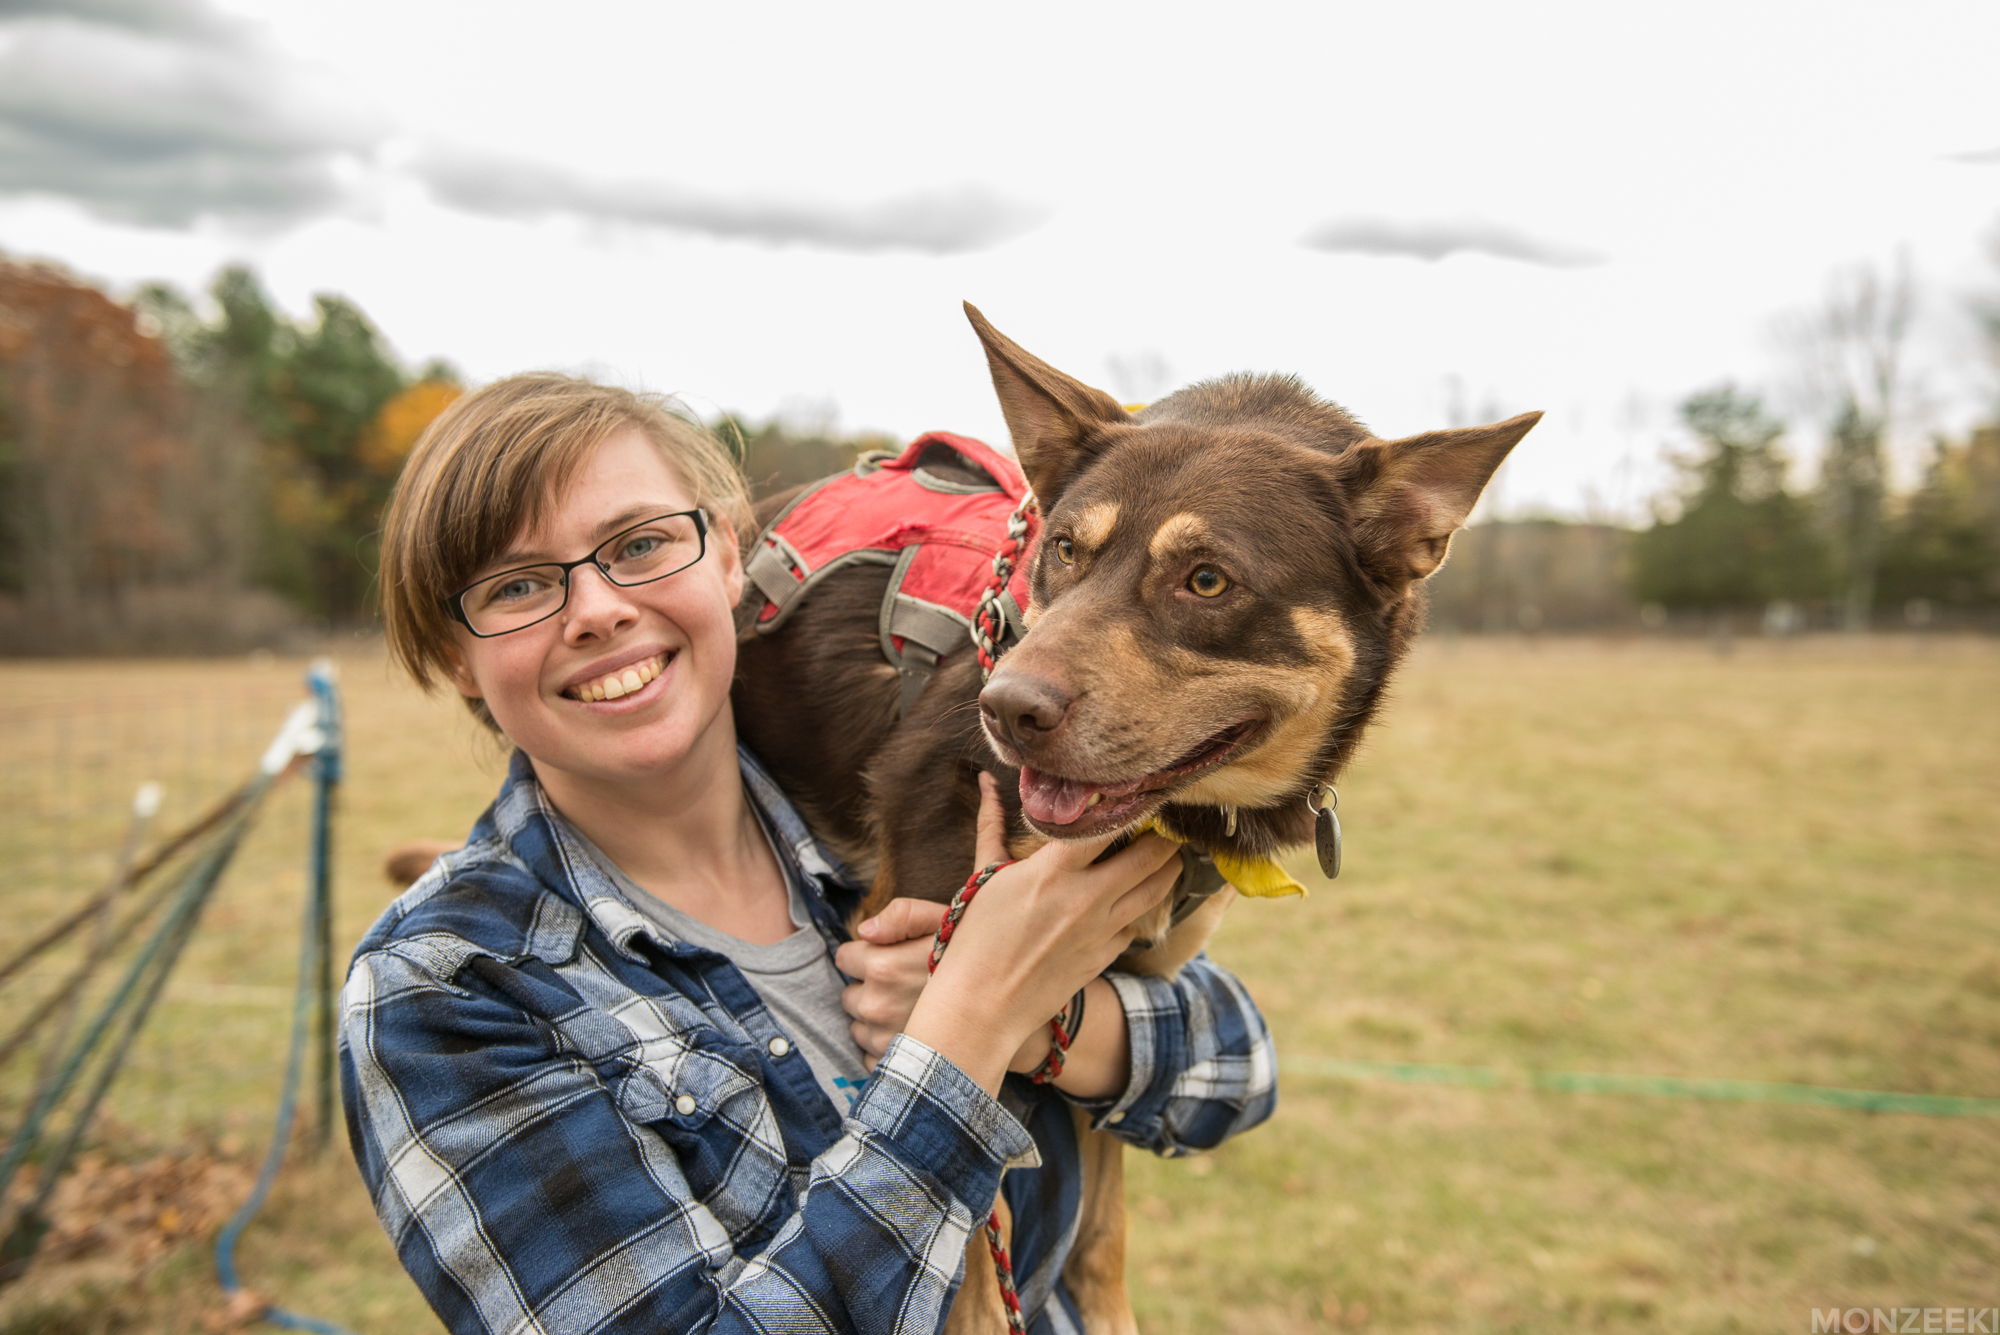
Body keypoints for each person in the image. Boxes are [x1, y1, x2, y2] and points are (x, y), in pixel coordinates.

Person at [343, 373, 1277, 1334]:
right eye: (518, 585)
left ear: (728, 556)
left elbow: (1238, 1070)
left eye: (640, 544)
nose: (598, 609)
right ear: (453, 656)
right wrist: (966, 1024)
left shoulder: (873, 794)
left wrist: (1052, 1023)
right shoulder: (441, 996)